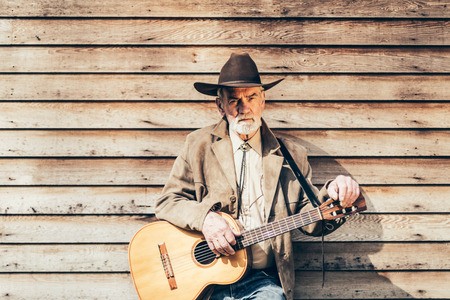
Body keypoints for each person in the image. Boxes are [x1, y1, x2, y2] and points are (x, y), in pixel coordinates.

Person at [155, 53, 360, 300]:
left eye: (251, 97)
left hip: (263, 282)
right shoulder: (197, 145)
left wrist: (336, 195)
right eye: (234, 100)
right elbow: (167, 202)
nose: (244, 108)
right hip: (206, 285)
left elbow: (312, 220)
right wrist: (205, 219)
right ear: (220, 106)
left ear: (263, 100)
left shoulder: (291, 155)